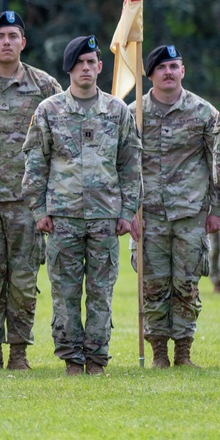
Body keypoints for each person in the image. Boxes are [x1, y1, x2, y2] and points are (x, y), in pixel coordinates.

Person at [22, 35, 141, 375]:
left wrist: (128, 211)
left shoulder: (118, 111)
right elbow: (35, 163)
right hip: (63, 216)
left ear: (101, 67)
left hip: (106, 215)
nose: (86, 68)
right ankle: (72, 358)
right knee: (65, 292)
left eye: (91, 62)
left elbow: (130, 166)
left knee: (102, 292)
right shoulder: (49, 110)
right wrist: (39, 210)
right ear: (69, 69)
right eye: (79, 63)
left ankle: (98, 357)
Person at [0, 12, 61, 371]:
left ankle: (19, 351)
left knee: (24, 280)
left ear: (23, 42)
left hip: (28, 203)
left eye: (14, 36)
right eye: (0, 36)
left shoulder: (44, 87)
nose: (7, 42)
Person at [134, 45, 220, 368]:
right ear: (150, 75)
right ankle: (158, 352)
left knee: (186, 284)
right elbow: (126, 166)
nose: (168, 72)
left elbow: (219, 163)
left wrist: (218, 210)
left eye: (174, 66)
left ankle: (183, 352)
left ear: (183, 71)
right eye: (161, 68)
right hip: (149, 215)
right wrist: (129, 211)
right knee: (153, 285)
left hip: (190, 214)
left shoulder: (203, 112)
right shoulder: (135, 114)